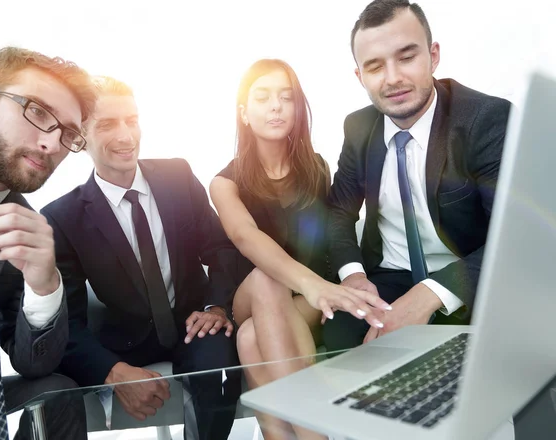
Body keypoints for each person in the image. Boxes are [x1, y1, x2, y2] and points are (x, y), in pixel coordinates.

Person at [40, 76, 242, 440]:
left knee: (220, 371)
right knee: (61, 387)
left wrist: (216, 307)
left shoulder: (177, 176)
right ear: (79, 137)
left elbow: (222, 249)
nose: (125, 136)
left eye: (131, 120)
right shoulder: (62, 218)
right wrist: (113, 371)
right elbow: (67, 322)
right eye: (107, 124)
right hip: (123, 341)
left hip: (193, 325)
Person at [210, 58, 391, 440]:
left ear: (297, 108)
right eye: (262, 97)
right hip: (257, 294)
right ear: (244, 112)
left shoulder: (316, 168)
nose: (276, 106)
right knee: (265, 278)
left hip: (308, 298)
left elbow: (329, 236)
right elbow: (245, 237)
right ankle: (315, 435)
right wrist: (315, 286)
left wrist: (327, 285)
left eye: (286, 97)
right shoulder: (224, 183)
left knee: (249, 338)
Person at [323, 0, 511, 350]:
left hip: (468, 274)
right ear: (359, 75)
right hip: (387, 277)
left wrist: (429, 294)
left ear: (433, 55)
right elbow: (338, 211)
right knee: (341, 336)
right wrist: (354, 275)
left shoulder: (485, 119)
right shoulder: (358, 127)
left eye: (407, 57)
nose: (393, 78)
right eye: (375, 66)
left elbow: (514, 234)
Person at [0, 46, 96, 439]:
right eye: (36, 111)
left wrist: (44, 284)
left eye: (68, 134)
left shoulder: (29, 230)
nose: (52, 144)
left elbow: (34, 364)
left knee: (57, 393)